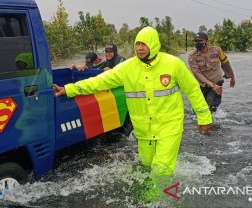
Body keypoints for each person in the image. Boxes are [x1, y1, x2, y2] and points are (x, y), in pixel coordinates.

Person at [53, 26, 212, 190]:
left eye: (144, 44)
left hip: (169, 127)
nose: (140, 48)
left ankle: (152, 202)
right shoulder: (127, 67)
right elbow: (98, 82)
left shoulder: (173, 64)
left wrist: (204, 118)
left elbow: (193, 90)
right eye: (137, 44)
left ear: (154, 44)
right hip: (144, 130)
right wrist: (69, 89)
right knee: (147, 166)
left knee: (161, 169)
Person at [188, 32, 235, 112]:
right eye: (196, 41)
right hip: (202, 85)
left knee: (210, 107)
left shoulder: (217, 51)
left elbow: (225, 63)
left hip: (217, 83)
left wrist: (232, 77)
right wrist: (212, 85)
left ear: (207, 42)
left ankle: (212, 123)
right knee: (198, 109)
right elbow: (197, 74)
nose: (197, 43)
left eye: (200, 41)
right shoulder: (192, 56)